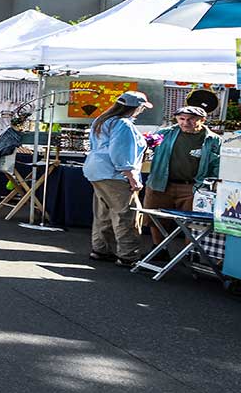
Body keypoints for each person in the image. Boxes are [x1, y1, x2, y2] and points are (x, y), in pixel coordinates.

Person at [143, 105, 221, 259]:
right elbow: (144, 149)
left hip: (192, 186)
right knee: (155, 218)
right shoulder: (164, 133)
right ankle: (159, 250)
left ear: (202, 120)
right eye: (182, 119)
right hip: (161, 183)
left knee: (192, 223)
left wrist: (214, 185)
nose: (185, 122)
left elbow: (217, 165)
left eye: (191, 119)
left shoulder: (213, 139)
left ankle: (189, 253)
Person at [83, 91, 151, 267]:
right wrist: (132, 177)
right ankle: (128, 255)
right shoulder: (123, 124)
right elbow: (120, 152)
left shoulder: (102, 120)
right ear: (136, 107)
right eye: (142, 107)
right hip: (113, 173)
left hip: (96, 170)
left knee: (103, 212)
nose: (142, 110)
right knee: (127, 214)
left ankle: (101, 249)